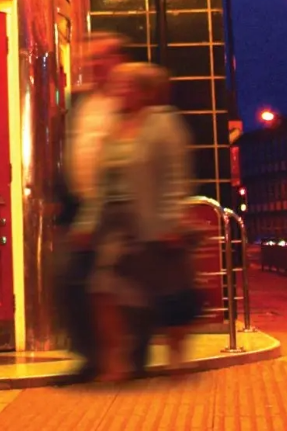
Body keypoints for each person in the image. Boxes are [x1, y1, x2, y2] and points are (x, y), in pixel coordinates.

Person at [69, 61, 194, 382]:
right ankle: (117, 360)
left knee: (169, 293)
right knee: (103, 289)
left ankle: (176, 353)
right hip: (116, 224)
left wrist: (171, 220)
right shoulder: (114, 128)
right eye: (118, 86)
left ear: (144, 91)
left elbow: (175, 176)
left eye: (126, 86)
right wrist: (86, 223)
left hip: (153, 220)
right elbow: (102, 182)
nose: (119, 91)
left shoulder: (164, 123)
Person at [53, 32, 125, 379]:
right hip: (79, 210)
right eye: (91, 59)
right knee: (70, 282)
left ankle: (124, 357)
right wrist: (60, 203)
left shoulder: (129, 102)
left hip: (118, 211)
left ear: (118, 60)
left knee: (115, 288)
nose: (96, 65)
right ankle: (89, 357)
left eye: (102, 58)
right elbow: (66, 152)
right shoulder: (79, 102)